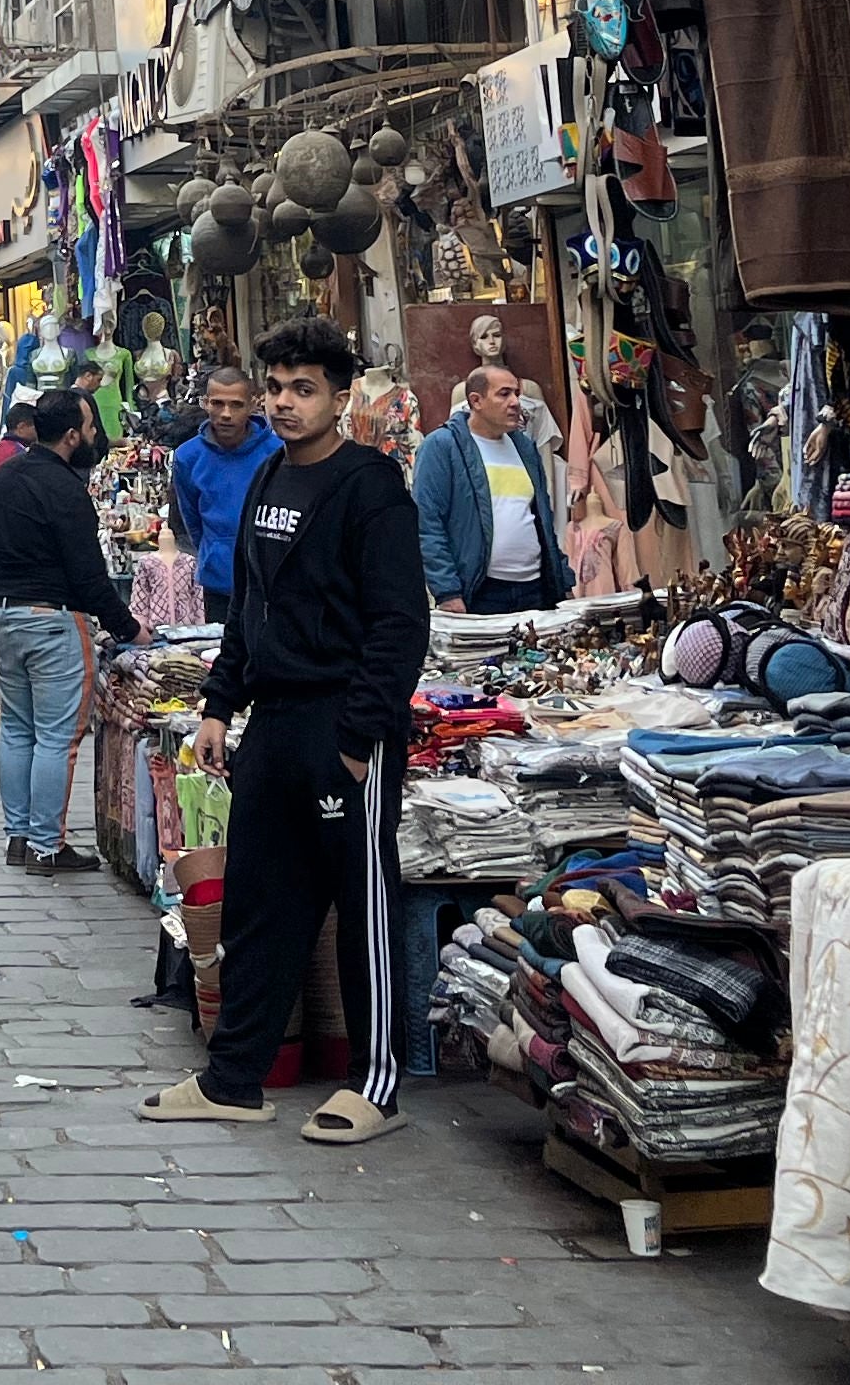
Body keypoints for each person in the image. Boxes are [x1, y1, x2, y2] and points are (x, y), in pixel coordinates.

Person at [142, 313, 428, 1147]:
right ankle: (235, 1078)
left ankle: (376, 1084)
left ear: (341, 397)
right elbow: (249, 616)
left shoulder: (369, 486)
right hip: (271, 728)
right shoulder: (269, 480)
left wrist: (356, 737)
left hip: (343, 727)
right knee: (260, 906)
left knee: (362, 907)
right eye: (276, 388)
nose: (284, 403)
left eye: (304, 389)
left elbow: (399, 625)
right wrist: (220, 707)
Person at [0, 386, 137, 875]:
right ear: (72, 436)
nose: (94, 435)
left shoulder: (6, 477)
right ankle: (47, 846)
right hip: (52, 620)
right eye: (90, 427)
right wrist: (128, 626)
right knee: (55, 737)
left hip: (4, 615)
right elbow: (89, 576)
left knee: (17, 729)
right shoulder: (67, 488)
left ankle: (18, 836)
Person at [412, 348, 573, 614]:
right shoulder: (442, 447)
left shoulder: (524, 448)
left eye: (516, 394)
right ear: (476, 401)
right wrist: (448, 592)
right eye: (504, 394)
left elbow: (543, 518)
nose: (515, 402)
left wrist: (562, 579)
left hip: (535, 590)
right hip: (482, 593)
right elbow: (427, 524)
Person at [163, 360, 281, 629]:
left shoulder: (278, 453)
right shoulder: (187, 457)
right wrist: (214, 552)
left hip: (273, 584)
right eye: (217, 404)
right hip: (218, 585)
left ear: (253, 404)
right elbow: (190, 519)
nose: (226, 414)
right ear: (205, 403)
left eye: (236, 404)